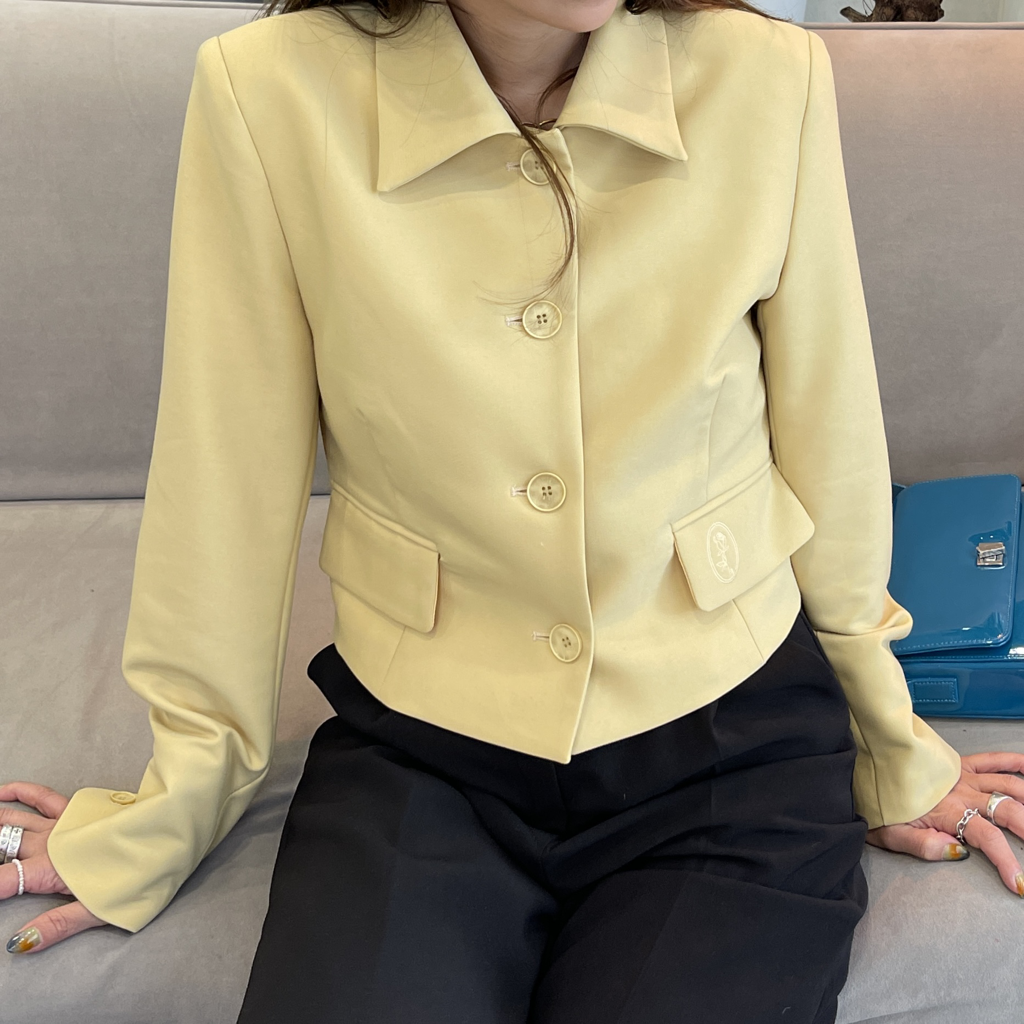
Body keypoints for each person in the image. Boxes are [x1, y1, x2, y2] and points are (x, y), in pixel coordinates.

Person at [3, 0, 1023, 1020]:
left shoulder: (765, 73)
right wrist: (179, 798)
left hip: (730, 735)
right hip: (423, 739)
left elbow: (828, 431)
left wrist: (889, 742)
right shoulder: (266, 90)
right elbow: (226, 468)